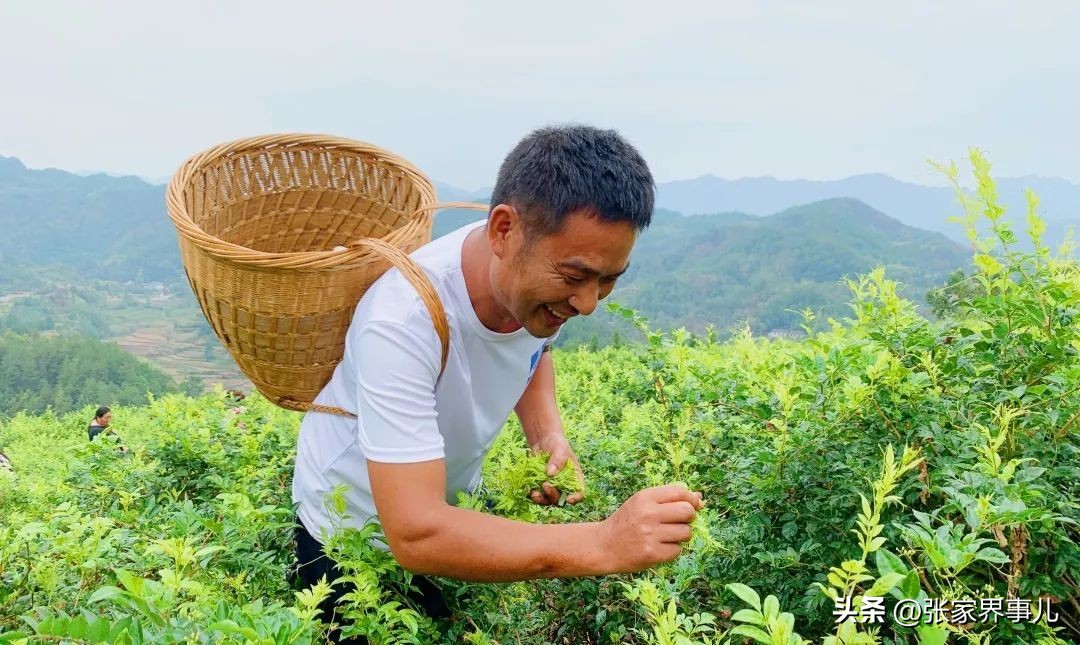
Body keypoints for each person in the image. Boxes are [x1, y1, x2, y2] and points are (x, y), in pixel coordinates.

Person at [290, 124, 704, 640]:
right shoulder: (400, 322)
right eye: (576, 277)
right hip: (350, 537)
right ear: (504, 230)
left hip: (448, 513)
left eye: (609, 279)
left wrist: (546, 434)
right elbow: (416, 532)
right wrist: (604, 543)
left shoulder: (529, 291)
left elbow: (535, 346)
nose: (589, 304)